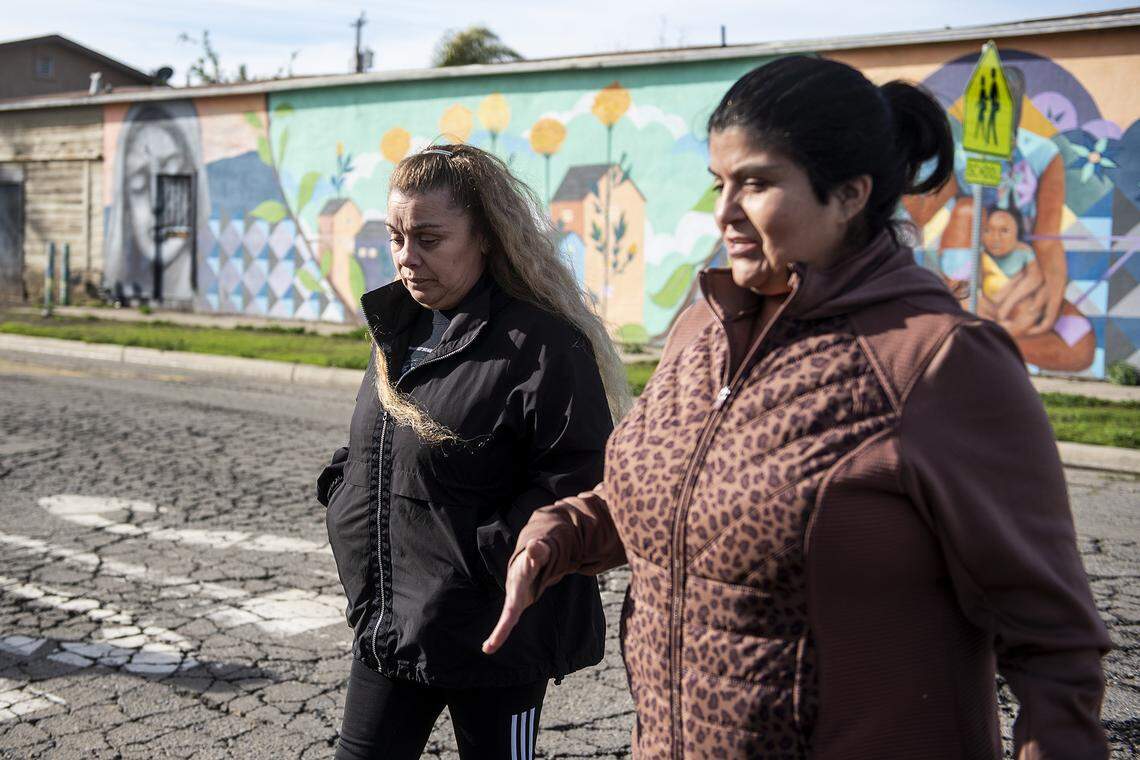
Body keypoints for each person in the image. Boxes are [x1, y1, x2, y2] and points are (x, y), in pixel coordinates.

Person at [484, 56, 1110, 759]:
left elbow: (1054, 643)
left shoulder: (940, 361)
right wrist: (561, 531)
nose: (723, 211)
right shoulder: (701, 327)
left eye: (756, 183)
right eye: (719, 183)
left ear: (849, 194)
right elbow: (671, 492)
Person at [316, 144, 630, 759]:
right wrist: (344, 486)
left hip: (494, 640)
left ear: (485, 236)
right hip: (392, 623)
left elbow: (578, 481)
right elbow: (382, 443)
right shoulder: (404, 326)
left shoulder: (541, 344)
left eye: (430, 238)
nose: (407, 259)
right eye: (397, 237)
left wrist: (486, 559)